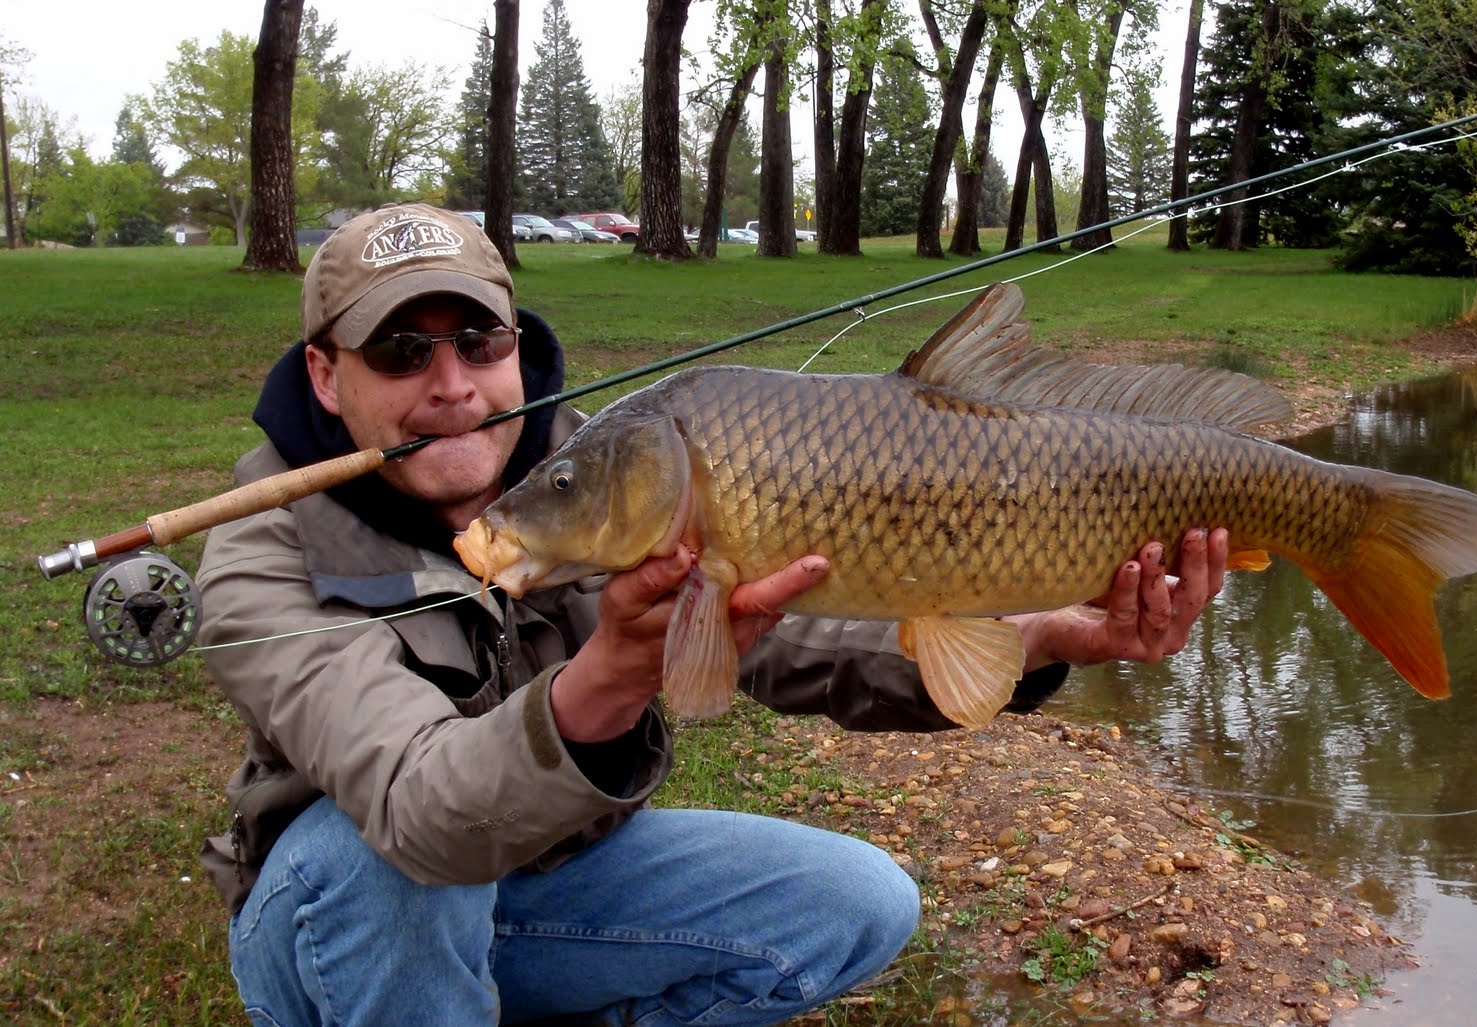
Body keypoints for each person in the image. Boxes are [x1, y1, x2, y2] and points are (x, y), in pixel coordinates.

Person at [195, 203, 1231, 1027]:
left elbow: (808, 641)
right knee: (379, 864)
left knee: (861, 901)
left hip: (550, 880)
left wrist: (1047, 632)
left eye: (478, 339)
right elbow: (420, 812)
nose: (454, 385)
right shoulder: (263, 555)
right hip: (351, 912)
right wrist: (605, 681)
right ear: (327, 376)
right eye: (400, 352)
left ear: (517, 345)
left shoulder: (613, 466)